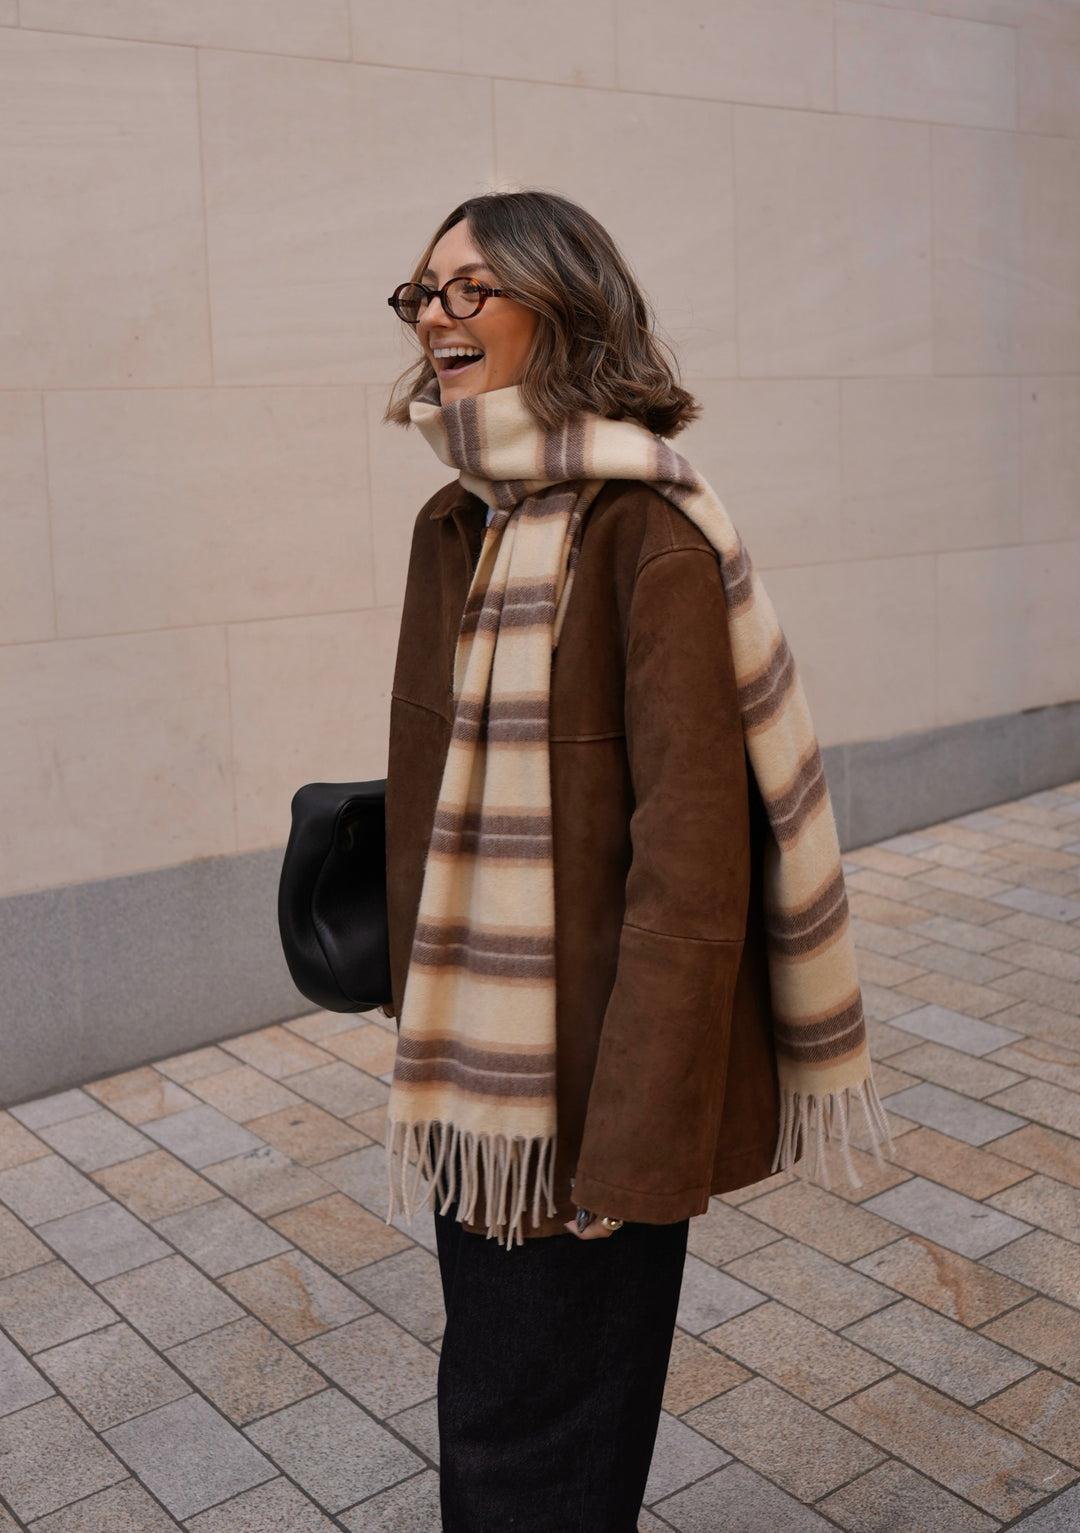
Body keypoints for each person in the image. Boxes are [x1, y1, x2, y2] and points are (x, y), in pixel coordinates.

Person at [380, 190, 887, 1533]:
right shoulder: (457, 525)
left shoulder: (647, 534)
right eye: (422, 292)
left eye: (469, 288)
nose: (436, 314)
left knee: (542, 1432)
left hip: (599, 1083)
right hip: (477, 1075)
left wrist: (636, 1147)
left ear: (565, 302)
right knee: (497, 1398)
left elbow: (691, 868)